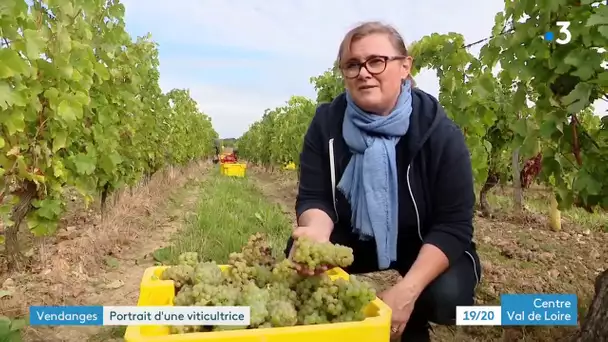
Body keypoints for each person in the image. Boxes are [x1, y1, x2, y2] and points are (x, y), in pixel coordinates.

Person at [285, 21, 481, 341]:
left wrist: (408, 289)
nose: (363, 72)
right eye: (352, 64)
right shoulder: (326, 124)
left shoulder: (440, 132)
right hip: (355, 238)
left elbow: (453, 225)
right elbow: (315, 197)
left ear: (405, 67)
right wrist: (316, 234)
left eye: (376, 61)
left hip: (422, 242)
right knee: (301, 263)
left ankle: (411, 316)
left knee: (448, 297)